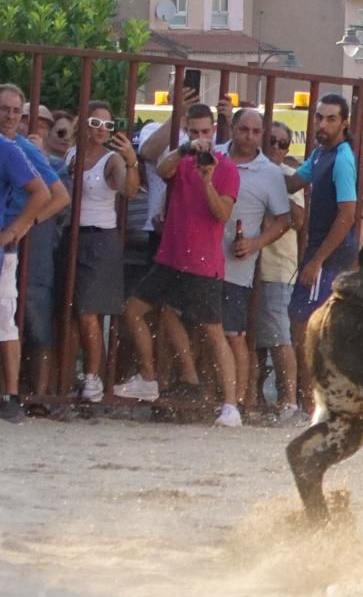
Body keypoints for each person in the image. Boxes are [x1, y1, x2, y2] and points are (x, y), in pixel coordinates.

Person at [112, 102, 243, 426]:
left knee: (214, 332)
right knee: (135, 311)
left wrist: (207, 180)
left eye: (204, 132)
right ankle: (149, 377)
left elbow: (222, 214)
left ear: (214, 131)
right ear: (187, 131)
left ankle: (230, 406)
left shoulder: (226, 168)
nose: (200, 138)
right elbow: (160, 170)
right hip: (171, 257)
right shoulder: (181, 159)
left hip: (203, 263)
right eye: (194, 132)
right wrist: (185, 149)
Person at [63, 101, 140, 403]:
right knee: (70, 310)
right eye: (95, 124)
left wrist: (131, 161)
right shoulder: (71, 154)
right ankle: (73, 375)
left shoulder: (111, 160)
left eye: (107, 126)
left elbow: (129, 190)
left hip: (99, 237)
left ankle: (93, 377)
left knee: (88, 312)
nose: (101, 131)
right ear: (82, 124)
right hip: (71, 236)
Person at [217, 109, 292, 414]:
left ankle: (236, 402)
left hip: (237, 266)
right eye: (243, 129)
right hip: (202, 258)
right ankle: (204, 395)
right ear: (232, 128)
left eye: (255, 131)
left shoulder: (270, 172)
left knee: (234, 334)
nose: (249, 136)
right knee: (200, 330)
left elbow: (283, 220)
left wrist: (255, 243)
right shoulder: (215, 155)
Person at [285, 96, 360, 396]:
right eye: (319, 117)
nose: (322, 124)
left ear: (344, 123)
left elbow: (347, 215)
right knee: (306, 328)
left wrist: (317, 260)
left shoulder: (341, 158)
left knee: (307, 329)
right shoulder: (320, 154)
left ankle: (313, 399)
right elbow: (293, 182)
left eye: (330, 119)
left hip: (328, 258)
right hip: (323, 254)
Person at [0, 84, 70, 397]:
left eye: (16, 111)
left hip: (12, 244)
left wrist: (23, 225)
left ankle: (27, 395)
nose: (10, 117)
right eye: (5, 109)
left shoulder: (24, 150)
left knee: (22, 316)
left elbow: (58, 196)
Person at [257, 120, 307, 421]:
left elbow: (298, 220)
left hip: (278, 266)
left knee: (278, 337)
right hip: (249, 265)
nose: (276, 148)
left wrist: (274, 186)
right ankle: (254, 397)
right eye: (271, 141)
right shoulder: (251, 170)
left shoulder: (289, 176)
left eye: (282, 143)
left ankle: (288, 400)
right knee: (253, 338)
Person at [0, 133, 49, 422]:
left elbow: (46, 192)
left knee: (5, 322)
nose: (9, 115)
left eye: (14, 110)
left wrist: (15, 229)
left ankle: (11, 396)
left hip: (4, 251)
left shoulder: (11, 149)